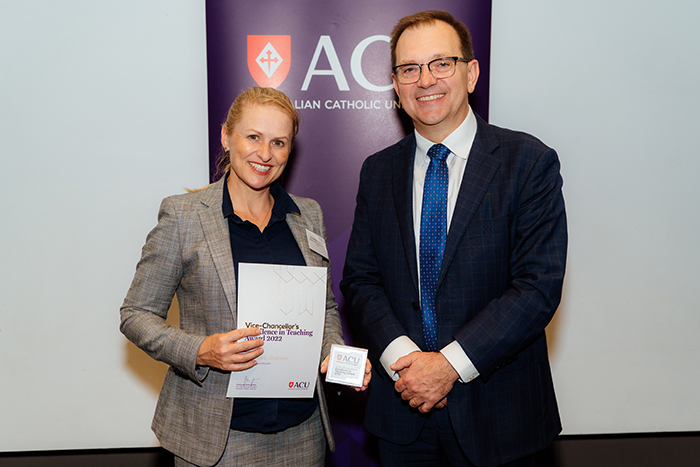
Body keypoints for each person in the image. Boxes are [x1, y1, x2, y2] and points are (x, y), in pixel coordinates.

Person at [340, 10, 566, 467]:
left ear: (471, 72)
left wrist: (447, 366)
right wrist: (408, 364)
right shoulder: (377, 171)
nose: (425, 80)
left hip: (501, 417)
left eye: (441, 63)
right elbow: (360, 282)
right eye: (409, 69)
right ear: (397, 85)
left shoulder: (528, 162)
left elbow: (537, 287)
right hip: (401, 418)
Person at [120, 86, 370, 467]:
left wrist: (333, 354)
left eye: (279, 142)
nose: (265, 154)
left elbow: (323, 308)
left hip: (302, 437)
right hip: (216, 440)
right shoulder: (183, 217)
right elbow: (135, 314)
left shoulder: (308, 216)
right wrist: (201, 350)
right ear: (226, 136)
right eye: (253, 137)